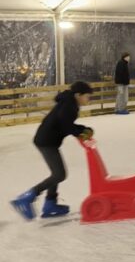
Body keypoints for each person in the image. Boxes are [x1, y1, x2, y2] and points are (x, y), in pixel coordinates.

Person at [10, 81, 95, 220]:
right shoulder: (69, 106)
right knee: (59, 174)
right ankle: (27, 198)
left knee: (57, 173)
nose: (88, 99)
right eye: (87, 96)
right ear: (78, 95)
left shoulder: (69, 103)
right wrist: (82, 131)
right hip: (46, 142)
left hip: (48, 140)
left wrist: (82, 130)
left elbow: (65, 124)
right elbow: (65, 125)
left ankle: (50, 204)